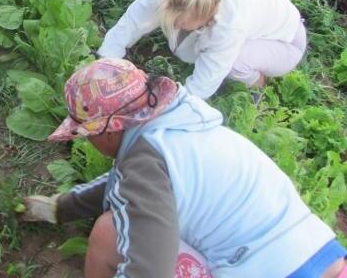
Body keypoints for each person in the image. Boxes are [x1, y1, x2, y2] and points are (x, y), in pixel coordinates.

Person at [21, 58, 347, 278]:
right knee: (116, 227)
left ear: (108, 130)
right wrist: (58, 208)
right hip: (325, 259)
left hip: (266, 270)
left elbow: (149, 271)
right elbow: (122, 186)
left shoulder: (146, 163)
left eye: (86, 133)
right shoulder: (184, 127)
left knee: (109, 234)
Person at [97, 0, 307, 99]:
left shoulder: (229, 23)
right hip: (245, 22)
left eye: (182, 22)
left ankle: (256, 85)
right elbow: (135, 19)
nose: (176, 25)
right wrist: (106, 61)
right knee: (185, 48)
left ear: (208, 15)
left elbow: (201, 87)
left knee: (233, 63)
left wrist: (164, 111)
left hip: (284, 44)